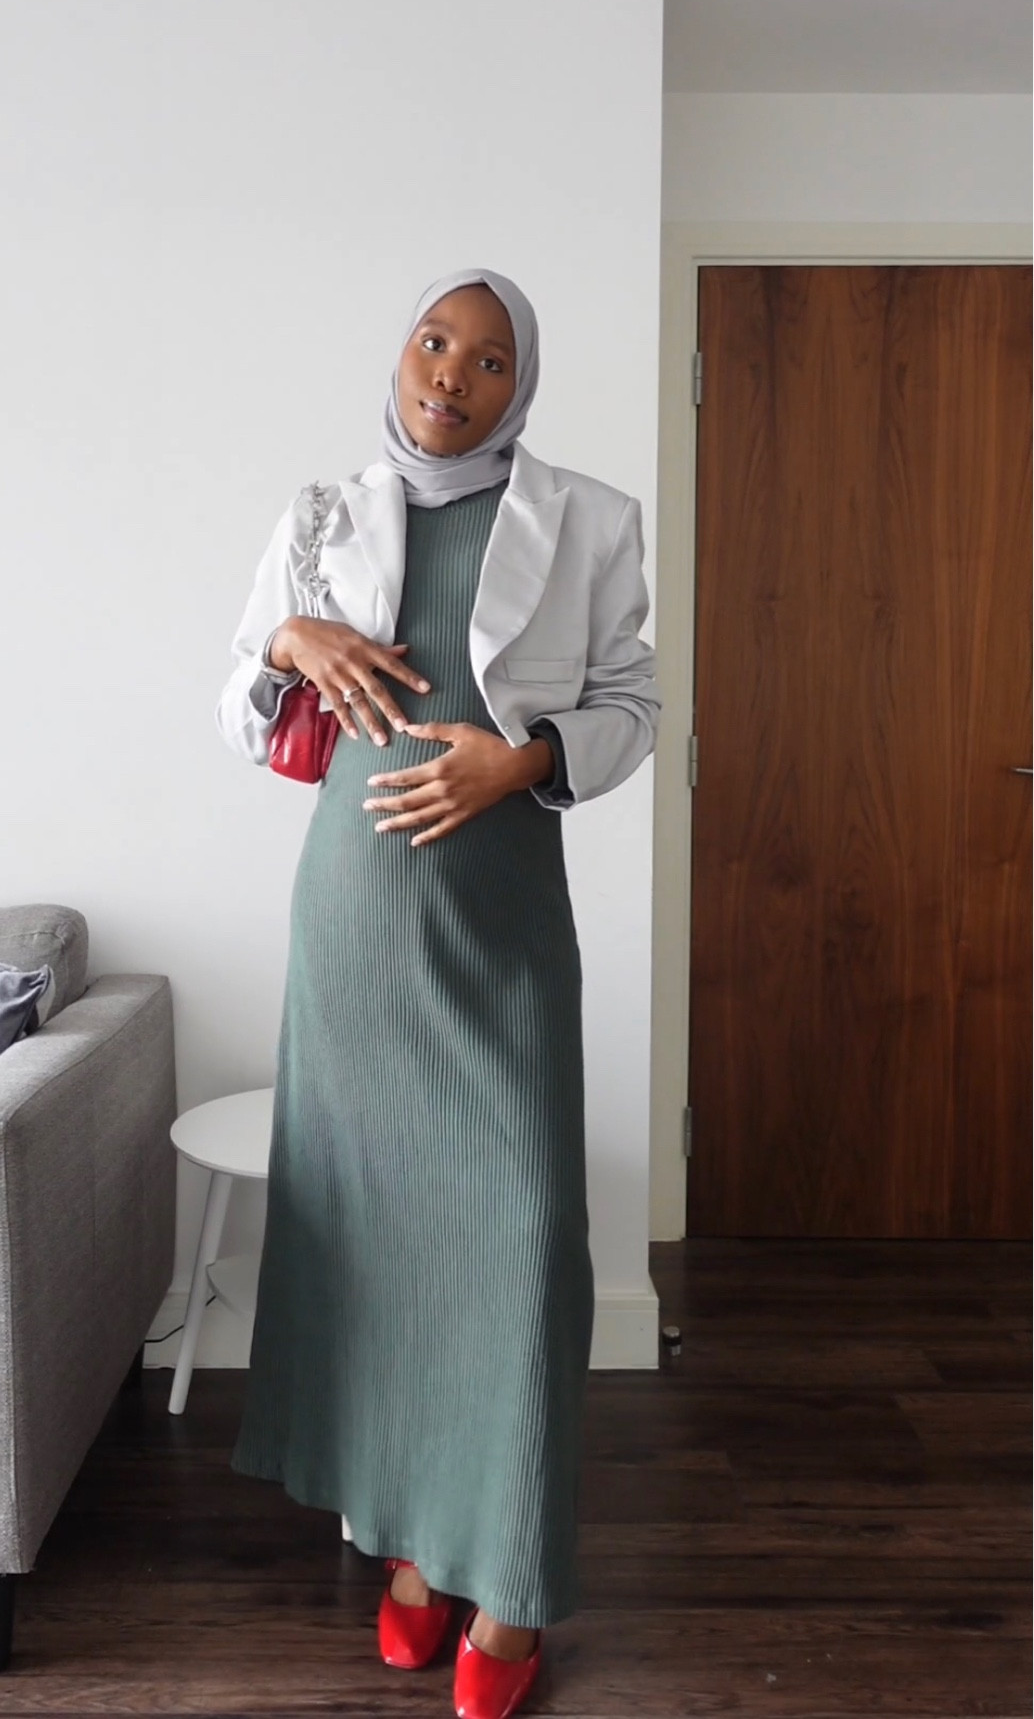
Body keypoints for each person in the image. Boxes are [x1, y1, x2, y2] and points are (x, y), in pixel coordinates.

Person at [215, 268, 661, 1719]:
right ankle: (417, 1558)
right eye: (432, 342)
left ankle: (514, 1590)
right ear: (400, 352)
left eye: (486, 357)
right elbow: (236, 697)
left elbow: (634, 707)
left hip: (498, 923)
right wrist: (295, 640)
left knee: (521, 1247)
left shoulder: (589, 521)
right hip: (352, 927)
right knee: (389, 1254)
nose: (450, 375)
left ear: (517, 384)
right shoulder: (320, 516)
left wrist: (516, 757)